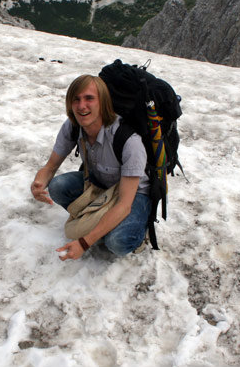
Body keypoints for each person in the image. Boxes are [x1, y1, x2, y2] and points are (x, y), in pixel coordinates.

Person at [30, 75, 151, 261]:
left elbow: (125, 205)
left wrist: (84, 243)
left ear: (103, 102)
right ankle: (102, 226)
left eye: (89, 98)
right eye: (76, 99)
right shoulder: (72, 127)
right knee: (57, 186)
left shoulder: (128, 141)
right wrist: (39, 183)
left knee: (117, 242)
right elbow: (51, 166)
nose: (81, 106)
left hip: (133, 196)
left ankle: (138, 232)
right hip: (101, 185)